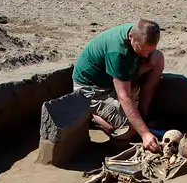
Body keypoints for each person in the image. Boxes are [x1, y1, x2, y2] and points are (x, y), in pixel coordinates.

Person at [71, 19, 165, 153]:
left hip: (115, 78)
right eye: (142, 49)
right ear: (131, 37)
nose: (145, 55)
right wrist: (144, 134)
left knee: (157, 59)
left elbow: (148, 54)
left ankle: (144, 112)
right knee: (129, 129)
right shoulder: (118, 52)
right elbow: (124, 97)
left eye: (149, 51)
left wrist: (142, 118)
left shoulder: (139, 32)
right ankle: (93, 116)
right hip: (92, 89)